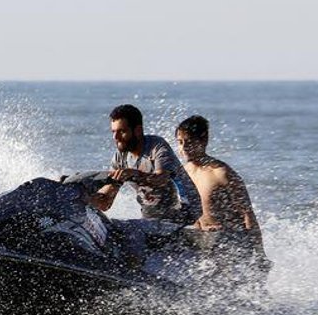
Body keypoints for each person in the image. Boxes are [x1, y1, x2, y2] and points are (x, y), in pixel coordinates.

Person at [90, 104, 202, 225]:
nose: (115, 137)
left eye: (122, 131)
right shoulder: (120, 158)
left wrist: (134, 174)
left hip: (185, 215)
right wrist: (84, 198)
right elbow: (105, 203)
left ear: (138, 130)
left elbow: (161, 179)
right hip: (152, 219)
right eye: (113, 132)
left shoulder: (157, 146)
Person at [175, 115, 266, 258]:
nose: (184, 148)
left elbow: (247, 215)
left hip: (229, 242)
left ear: (204, 140)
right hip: (200, 240)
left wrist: (259, 254)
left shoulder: (222, 174)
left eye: (189, 142)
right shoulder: (182, 173)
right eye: (180, 142)